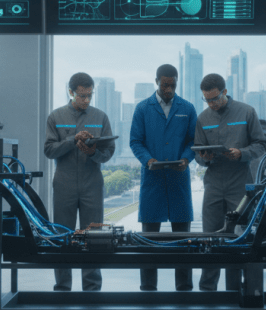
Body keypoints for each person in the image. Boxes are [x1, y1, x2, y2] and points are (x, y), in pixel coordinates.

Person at [193, 73, 266, 291]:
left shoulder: (246, 112)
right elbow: (197, 153)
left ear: (225, 92)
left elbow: (262, 145)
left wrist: (242, 152)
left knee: (237, 239)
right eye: (207, 100)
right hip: (213, 184)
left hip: (240, 185)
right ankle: (207, 291)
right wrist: (203, 158)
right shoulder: (203, 119)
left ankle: (234, 291)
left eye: (215, 98)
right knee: (210, 238)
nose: (211, 104)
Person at [43, 72, 116, 291]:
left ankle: (92, 287)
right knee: (62, 235)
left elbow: (110, 150)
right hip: (64, 183)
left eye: (89, 96)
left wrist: (94, 152)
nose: (86, 100)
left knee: (94, 235)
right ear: (71, 92)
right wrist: (71, 140)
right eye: (82, 96)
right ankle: (63, 286)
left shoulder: (100, 117)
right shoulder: (55, 117)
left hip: (92, 182)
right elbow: (48, 150)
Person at [130, 64, 197, 291]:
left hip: (179, 180)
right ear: (156, 81)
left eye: (173, 84)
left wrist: (187, 159)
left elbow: (193, 142)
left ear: (177, 82)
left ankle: (185, 288)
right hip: (153, 180)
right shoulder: (142, 109)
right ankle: (148, 288)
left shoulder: (187, 108)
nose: (168, 88)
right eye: (164, 84)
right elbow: (135, 141)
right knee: (149, 242)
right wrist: (148, 161)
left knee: (183, 241)